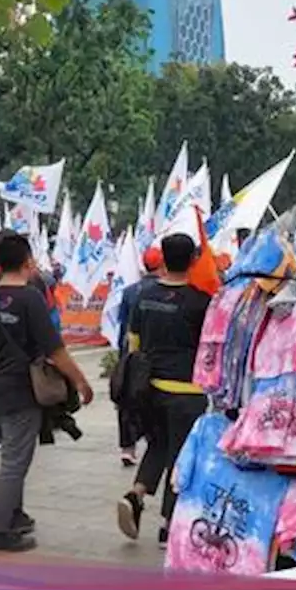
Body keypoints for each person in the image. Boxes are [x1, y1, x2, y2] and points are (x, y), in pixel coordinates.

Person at [0, 232, 93, 553]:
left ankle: (14, 515)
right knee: (15, 460)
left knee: (15, 452)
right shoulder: (30, 299)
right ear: (28, 262)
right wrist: (81, 382)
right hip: (20, 389)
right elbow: (56, 350)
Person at [116, 234, 211, 548]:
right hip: (187, 390)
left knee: (157, 444)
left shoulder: (143, 296)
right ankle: (168, 525)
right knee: (180, 457)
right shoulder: (201, 301)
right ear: (193, 260)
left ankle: (136, 494)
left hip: (150, 388)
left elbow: (134, 343)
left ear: (164, 259)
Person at [114, 246, 163, 467]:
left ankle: (128, 448)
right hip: (157, 355)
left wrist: (121, 353)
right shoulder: (165, 289)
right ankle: (155, 441)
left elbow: (123, 324)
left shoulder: (130, 291)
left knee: (128, 403)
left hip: (133, 354)